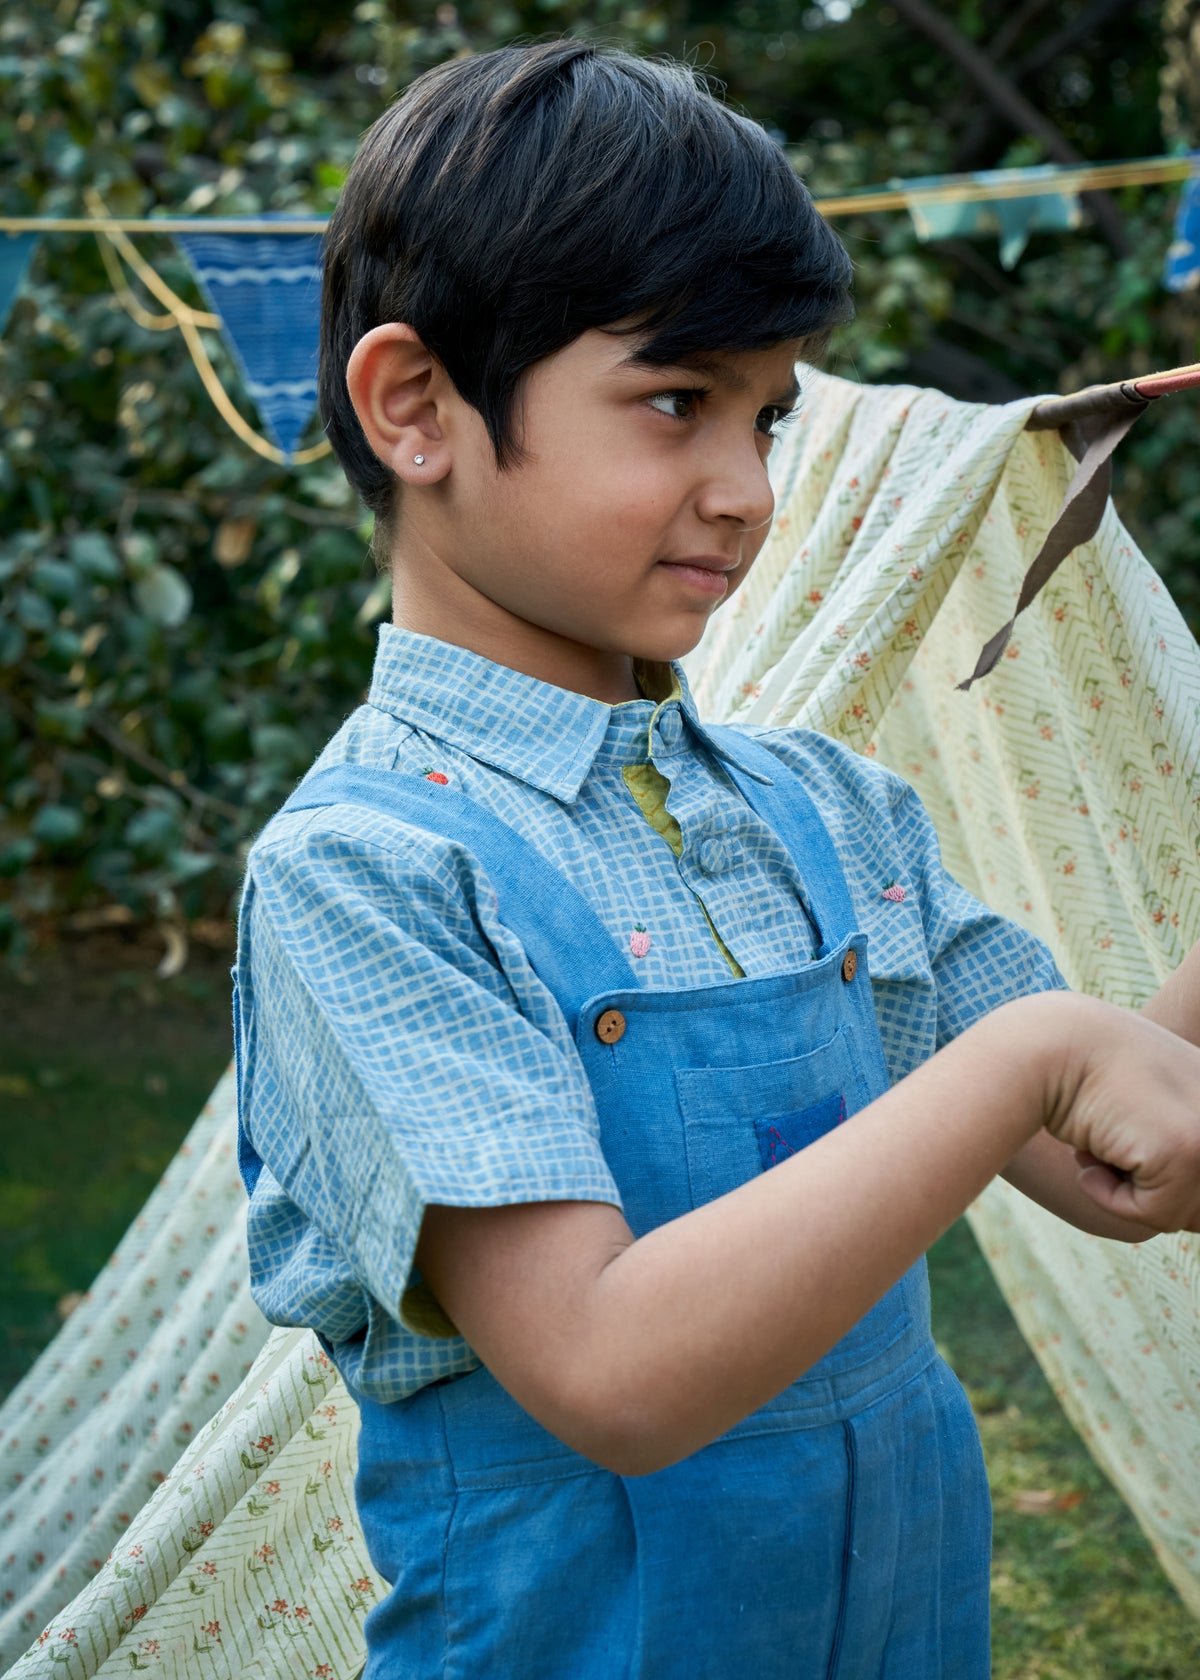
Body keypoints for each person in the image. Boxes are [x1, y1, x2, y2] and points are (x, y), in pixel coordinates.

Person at [233, 38, 1200, 1680]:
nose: (747, 492)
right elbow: (615, 1374)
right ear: (416, 408)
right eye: (676, 403)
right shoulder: (370, 878)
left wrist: (1069, 1063)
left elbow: (1125, 1150)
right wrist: (1031, 1054)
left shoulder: (826, 811)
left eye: (768, 416)